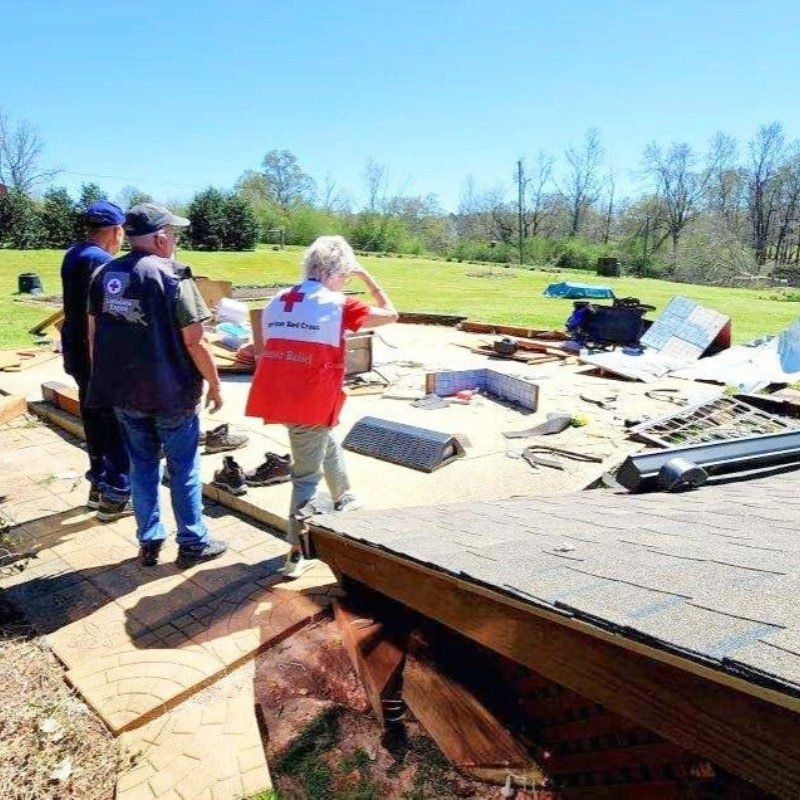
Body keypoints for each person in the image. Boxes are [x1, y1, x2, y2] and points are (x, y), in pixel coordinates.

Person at [245, 235, 398, 579]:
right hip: (310, 399)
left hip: (279, 394)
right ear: (339, 271)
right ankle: (297, 550)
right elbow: (391, 315)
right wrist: (368, 278)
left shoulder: (279, 299)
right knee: (305, 476)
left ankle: (343, 495)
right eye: (346, 274)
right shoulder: (338, 304)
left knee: (321, 441)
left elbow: (265, 348)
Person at [86, 202, 228, 568]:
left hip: (125, 395)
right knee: (183, 468)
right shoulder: (173, 276)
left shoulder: (104, 274)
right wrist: (215, 384)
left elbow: (93, 336)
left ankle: (149, 540)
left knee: (142, 466)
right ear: (162, 238)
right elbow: (195, 340)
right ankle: (193, 541)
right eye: (175, 234)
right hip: (172, 396)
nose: (176, 240)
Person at [60, 201, 131, 520]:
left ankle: (98, 485)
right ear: (115, 231)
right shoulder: (104, 262)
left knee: (92, 418)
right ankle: (115, 493)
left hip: (76, 349)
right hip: (97, 353)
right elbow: (113, 312)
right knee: (113, 422)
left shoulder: (73, 254)